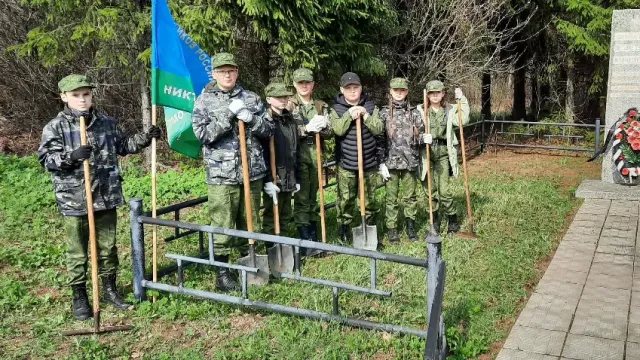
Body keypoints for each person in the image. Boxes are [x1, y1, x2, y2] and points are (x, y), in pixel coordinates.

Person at [37, 74, 161, 320]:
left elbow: (124, 145)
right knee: (77, 252)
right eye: (76, 95)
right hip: (76, 200)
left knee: (108, 248)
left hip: (105, 195)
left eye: (86, 94)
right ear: (64, 97)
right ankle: (80, 296)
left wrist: (146, 137)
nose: (82, 100)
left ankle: (110, 289)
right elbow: (47, 160)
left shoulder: (105, 122)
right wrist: (71, 157)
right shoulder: (56, 127)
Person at [192, 52, 273, 291]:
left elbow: (268, 130)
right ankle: (223, 273)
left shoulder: (251, 98)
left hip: (252, 170)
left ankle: (247, 265)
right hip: (222, 174)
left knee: (250, 221)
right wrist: (229, 115)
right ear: (214, 74)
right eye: (222, 71)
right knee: (223, 223)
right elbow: (202, 135)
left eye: (231, 70)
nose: (227, 75)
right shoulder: (204, 100)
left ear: (237, 72)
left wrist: (251, 119)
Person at [329, 72, 384, 243]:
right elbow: (337, 129)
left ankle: (369, 229)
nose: (352, 91)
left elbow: (379, 128)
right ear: (342, 90)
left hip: (368, 162)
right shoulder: (336, 109)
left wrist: (365, 115)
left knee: (369, 199)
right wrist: (349, 114)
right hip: (346, 163)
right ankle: (343, 229)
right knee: (345, 199)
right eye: (348, 88)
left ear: (360, 88)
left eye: (356, 87)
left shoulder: (370, 107)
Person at [417, 80, 469, 234]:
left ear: (443, 93)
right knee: (430, 191)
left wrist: (462, 100)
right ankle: (434, 222)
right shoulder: (420, 110)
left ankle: (452, 220)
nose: (434, 96)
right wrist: (421, 137)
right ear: (427, 94)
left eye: (437, 93)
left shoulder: (450, 110)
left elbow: (462, 120)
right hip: (426, 153)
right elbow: (413, 129)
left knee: (444, 191)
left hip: (443, 153)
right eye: (431, 93)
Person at [290, 68, 331, 254]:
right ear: (294, 85)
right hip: (298, 156)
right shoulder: (289, 106)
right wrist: (305, 129)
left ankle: (314, 236)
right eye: (300, 83)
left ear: (313, 84)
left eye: (307, 82)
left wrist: (322, 128)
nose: (304, 86)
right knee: (302, 198)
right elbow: (285, 133)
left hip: (316, 156)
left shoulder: (320, 105)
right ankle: (305, 239)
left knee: (314, 196)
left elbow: (330, 132)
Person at [379, 78, 423, 242]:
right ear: (390, 91)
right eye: (396, 90)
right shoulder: (383, 113)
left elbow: (420, 137)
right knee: (391, 198)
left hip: (410, 162)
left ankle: (410, 227)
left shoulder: (414, 113)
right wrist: (381, 161)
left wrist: (423, 138)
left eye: (402, 90)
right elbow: (380, 139)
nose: (399, 93)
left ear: (406, 91)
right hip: (391, 163)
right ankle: (392, 229)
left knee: (410, 197)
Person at [260, 82, 300, 238]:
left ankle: (284, 243)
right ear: (269, 99)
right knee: (272, 214)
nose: (283, 100)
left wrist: (297, 177)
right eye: (278, 97)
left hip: (289, 172)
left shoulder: (290, 119)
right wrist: (268, 179)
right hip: (274, 174)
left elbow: (294, 149)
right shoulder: (265, 121)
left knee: (285, 212)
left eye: (285, 96)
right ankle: (272, 245)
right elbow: (262, 153)